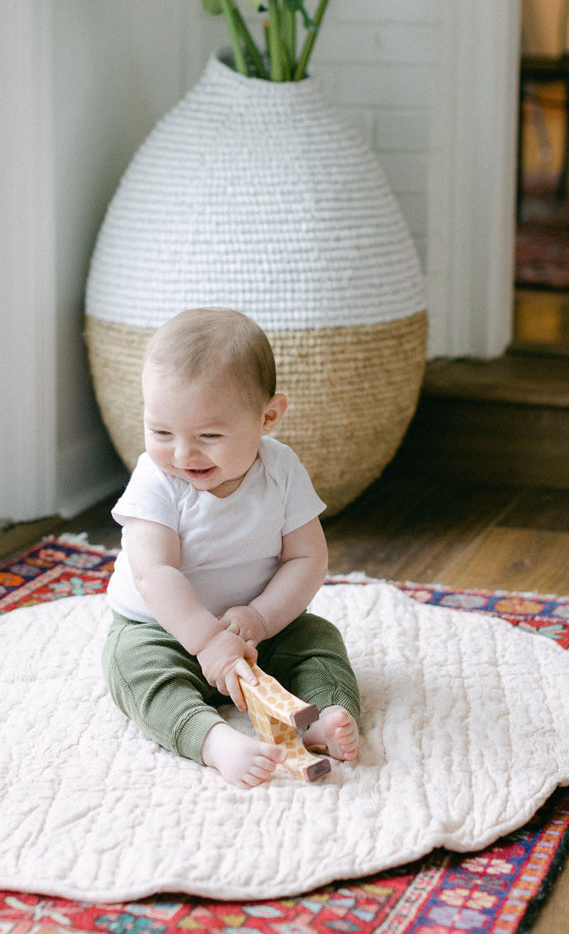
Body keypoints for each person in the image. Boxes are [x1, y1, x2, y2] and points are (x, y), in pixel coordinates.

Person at [102, 308, 360, 788]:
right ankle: (212, 739)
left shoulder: (281, 469)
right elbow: (155, 574)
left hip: (258, 632)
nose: (183, 453)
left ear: (268, 417)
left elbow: (307, 558)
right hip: (163, 630)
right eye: (161, 432)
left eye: (209, 436)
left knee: (319, 640)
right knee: (133, 668)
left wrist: (260, 618)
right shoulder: (156, 481)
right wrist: (206, 641)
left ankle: (321, 717)